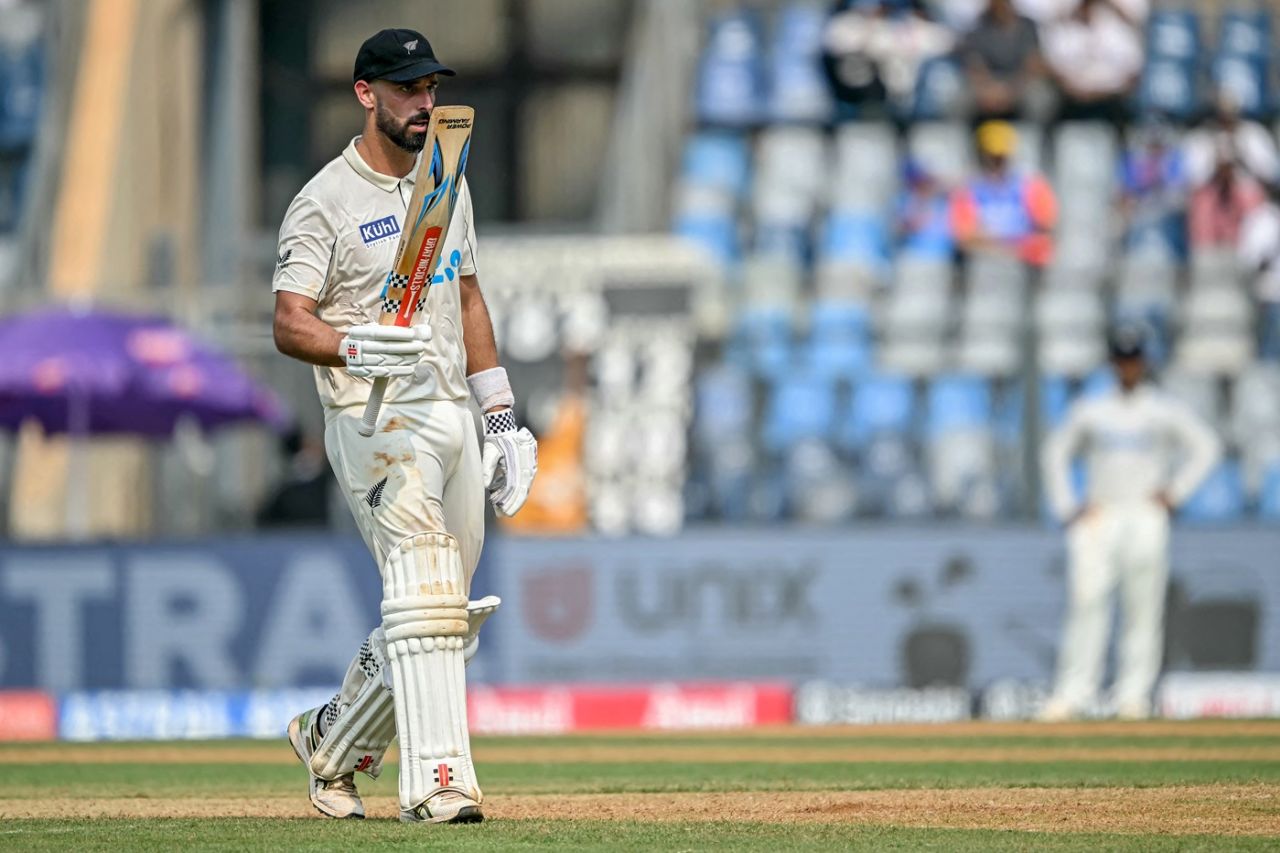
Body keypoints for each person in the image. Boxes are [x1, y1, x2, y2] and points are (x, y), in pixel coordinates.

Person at [270, 28, 537, 824]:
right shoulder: (324, 200)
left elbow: (468, 295)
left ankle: (331, 739)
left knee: (443, 617)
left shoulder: (444, 179)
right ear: (366, 95)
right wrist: (352, 343)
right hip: (376, 415)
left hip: (452, 408)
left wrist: (500, 416)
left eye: (430, 89)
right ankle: (437, 782)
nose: (425, 103)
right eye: (408, 90)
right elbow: (289, 322)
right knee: (422, 592)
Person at [1040, 324, 1220, 721]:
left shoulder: (1162, 409)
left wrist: (1175, 493)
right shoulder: (1092, 409)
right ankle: (1073, 692)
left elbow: (1207, 447)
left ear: (1144, 362)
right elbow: (1056, 451)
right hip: (1100, 513)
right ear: (1112, 363)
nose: (1128, 368)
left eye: (1134, 360)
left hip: (1144, 514)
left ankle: (1133, 695)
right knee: (1087, 604)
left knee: (1142, 608)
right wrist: (1068, 505)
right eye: (1122, 361)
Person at [950, 120, 1057, 267]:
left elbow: (1045, 230)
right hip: (982, 264)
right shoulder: (967, 190)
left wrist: (999, 245)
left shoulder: (1032, 186)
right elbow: (964, 239)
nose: (996, 163)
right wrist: (1008, 248)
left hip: (1025, 266)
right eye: (991, 157)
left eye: (1001, 157)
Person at [1040, 0, 1145, 125]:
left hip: (1112, 97)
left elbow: (1133, 71)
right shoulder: (1062, 31)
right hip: (1073, 97)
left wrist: (1105, 91)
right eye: (1084, 5)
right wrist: (1076, 89)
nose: (1087, 9)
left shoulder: (1116, 30)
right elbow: (1052, 67)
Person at [958, 0, 1052, 122]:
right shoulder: (978, 26)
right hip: (988, 85)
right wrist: (989, 89)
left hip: (1020, 83)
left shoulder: (1027, 26)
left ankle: (1037, 139)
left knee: (1040, 97)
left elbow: (1033, 64)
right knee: (961, 98)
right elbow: (974, 65)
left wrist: (1011, 91)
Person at [1116, 119, 1188, 259]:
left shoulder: (1174, 163)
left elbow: (1179, 199)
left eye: (1158, 145)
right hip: (1140, 224)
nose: (1155, 150)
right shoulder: (1133, 162)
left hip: (1167, 224)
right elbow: (1126, 198)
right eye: (1151, 145)